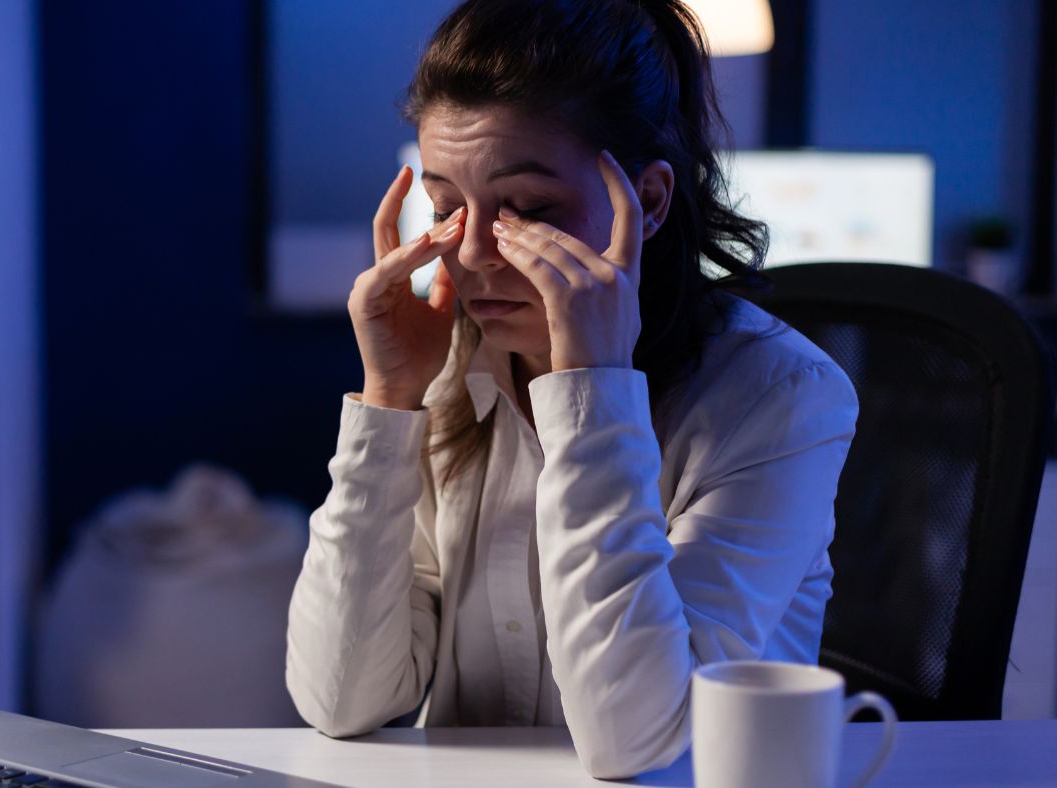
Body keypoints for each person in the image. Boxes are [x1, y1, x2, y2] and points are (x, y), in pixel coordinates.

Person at [285, 0, 859, 779]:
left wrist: (590, 394)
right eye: (449, 209)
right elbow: (338, 698)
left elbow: (637, 741)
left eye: (529, 209)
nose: (477, 253)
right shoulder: (452, 368)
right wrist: (389, 399)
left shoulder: (782, 397)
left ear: (647, 202)